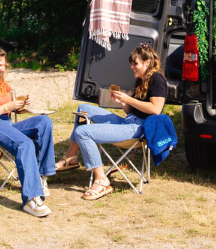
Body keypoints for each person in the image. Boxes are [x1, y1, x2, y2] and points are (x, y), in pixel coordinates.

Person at [55, 43, 167, 200]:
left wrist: (129, 99)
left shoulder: (157, 79)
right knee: (83, 108)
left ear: (147, 63)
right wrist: (123, 102)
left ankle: (102, 180)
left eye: (135, 63)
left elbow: (156, 109)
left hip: (138, 128)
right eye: (131, 63)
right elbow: (131, 110)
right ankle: (71, 157)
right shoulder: (141, 80)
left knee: (83, 132)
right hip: (128, 121)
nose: (131, 67)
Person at [0, 42, 56, 217]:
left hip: (6, 124)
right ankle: (31, 200)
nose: (2, 69)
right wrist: (6, 106)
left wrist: (20, 105)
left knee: (44, 122)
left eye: (3, 65)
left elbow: (10, 107)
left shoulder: (1, 84)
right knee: (24, 144)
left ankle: (40, 177)